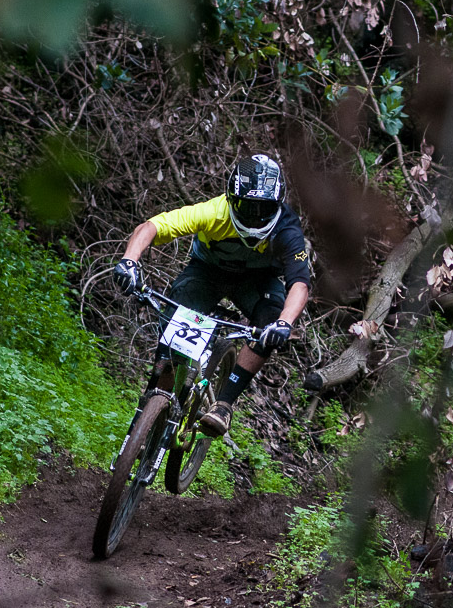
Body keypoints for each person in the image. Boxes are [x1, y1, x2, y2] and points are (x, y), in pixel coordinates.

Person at [112, 154, 311, 437]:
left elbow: (299, 283)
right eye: (246, 206)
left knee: (270, 323)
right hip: (207, 273)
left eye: (262, 208)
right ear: (231, 199)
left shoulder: (288, 231)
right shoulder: (214, 211)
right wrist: (129, 261)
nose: (254, 216)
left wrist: (285, 323)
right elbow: (152, 227)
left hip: (258, 282)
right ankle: (155, 402)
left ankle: (224, 403)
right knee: (172, 333)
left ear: (277, 205)